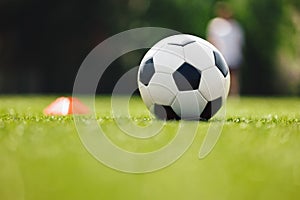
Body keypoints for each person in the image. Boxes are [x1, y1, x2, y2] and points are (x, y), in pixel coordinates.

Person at [207, 2, 244, 96]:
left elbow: (239, 41)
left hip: (233, 55)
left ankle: (234, 94)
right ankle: (219, 94)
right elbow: (211, 39)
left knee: (233, 76)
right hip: (221, 55)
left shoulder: (235, 25)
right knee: (219, 76)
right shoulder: (215, 23)